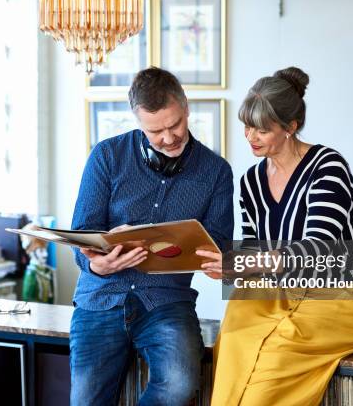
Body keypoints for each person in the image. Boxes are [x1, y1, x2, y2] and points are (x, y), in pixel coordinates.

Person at [196, 67, 353, 406]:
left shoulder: (328, 167)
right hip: (274, 294)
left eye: (262, 129)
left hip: (336, 300)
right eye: (247, 126)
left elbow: (316, 250)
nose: (251, 136)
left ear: (290, 127)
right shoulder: (251, 181)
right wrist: (231, 267)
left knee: (271, 359)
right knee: (234, 332)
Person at [69, 67, 234, 406]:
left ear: (186, 107)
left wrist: (217, 261)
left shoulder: (217, 172)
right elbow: (82, 235)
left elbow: (217, 245)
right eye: (155, 131)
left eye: (174, 125)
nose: (168, 137)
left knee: (180, 386)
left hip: (167, 302)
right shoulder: (106, 156)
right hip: (101, 298)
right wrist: (98, 266)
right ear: (138, 121)